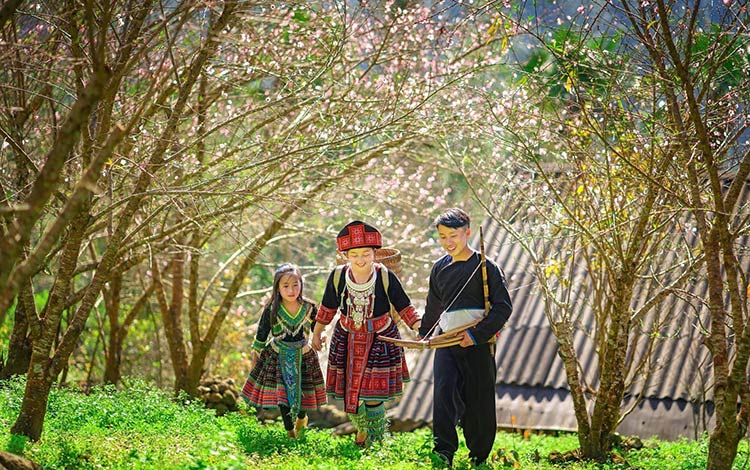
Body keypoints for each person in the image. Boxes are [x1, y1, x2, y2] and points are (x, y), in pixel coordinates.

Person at [311, 220, 421, 447]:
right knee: (349, 397)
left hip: (381, 338)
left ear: (374, 253)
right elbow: (327, 308)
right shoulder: (338, 276)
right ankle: (362, 429)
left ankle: (376, 443)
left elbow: (404, 306)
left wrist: (420, 328)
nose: (361, 260)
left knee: (374, 396)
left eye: (366, 254)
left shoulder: (385, 276)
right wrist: (316, 333)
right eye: (354, 255)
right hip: (346, 339)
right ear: (346, 256)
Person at [418, 208, 513, 467]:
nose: (449, 242)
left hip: (478, 343)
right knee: (444, 392)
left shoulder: (486, 266)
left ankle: (479, 454)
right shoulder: (439, 268)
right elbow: (434, 307)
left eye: (454, 235)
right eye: (442, 237)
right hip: (447, 342)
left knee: (478, 398)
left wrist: (475, 334)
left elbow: (503, 307)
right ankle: (444, 451)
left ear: (467, 233)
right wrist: (423, 335)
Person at [241, 263, 326, 439]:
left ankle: (302, 418)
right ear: (277, 288)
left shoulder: (309, 308)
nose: (291, 290)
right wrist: (254, 362)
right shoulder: (271, 310)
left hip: (303, 354)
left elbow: (317, 330)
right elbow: (260, 337)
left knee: (304, 391)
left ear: (301, 284)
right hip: (277, 355)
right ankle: (290, 432)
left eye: (295, 284)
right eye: (285, 286)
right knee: (283, 397)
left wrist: (319, 338)